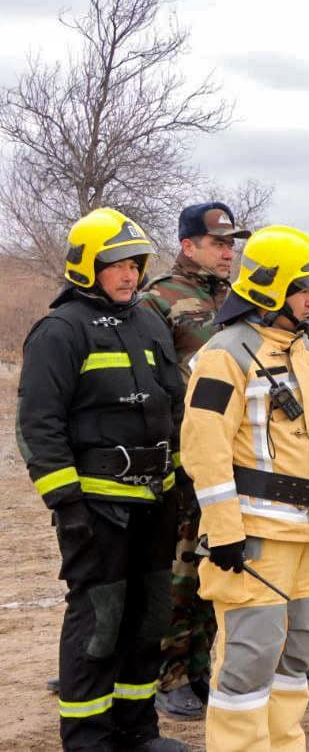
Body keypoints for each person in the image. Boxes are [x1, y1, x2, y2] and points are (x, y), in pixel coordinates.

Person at [17, 208, 187, 752]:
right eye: (115, 264)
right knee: (99, 625)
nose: (128, 274)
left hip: (156, 500)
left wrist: (181, 481)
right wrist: (66, 505)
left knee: (149, 617)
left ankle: (138, 731)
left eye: (135, 264)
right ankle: (89, 738)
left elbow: (174, 406)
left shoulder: (148, 321)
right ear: (86, 266)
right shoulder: (59, 331)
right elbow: (38, 426)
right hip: (97, 506)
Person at [182, 225, 309, 752]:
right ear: (270, 289)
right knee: (250, 656)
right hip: (255, 535)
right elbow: (204, 451)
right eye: (303, 288)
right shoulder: (223, 355)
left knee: (299, 648)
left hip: (307, 533)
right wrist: (224, 530)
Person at [140, 202, 250, 722]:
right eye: (218, 243)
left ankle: (202, 664)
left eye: (232, 244)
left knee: (215, 560)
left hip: (228, 457)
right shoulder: (158, 298)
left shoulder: (234, 300)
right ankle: (171, 673)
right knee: (181, 567)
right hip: (184, 459)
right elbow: (155, 382)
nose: (229, 252)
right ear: (188, 246)